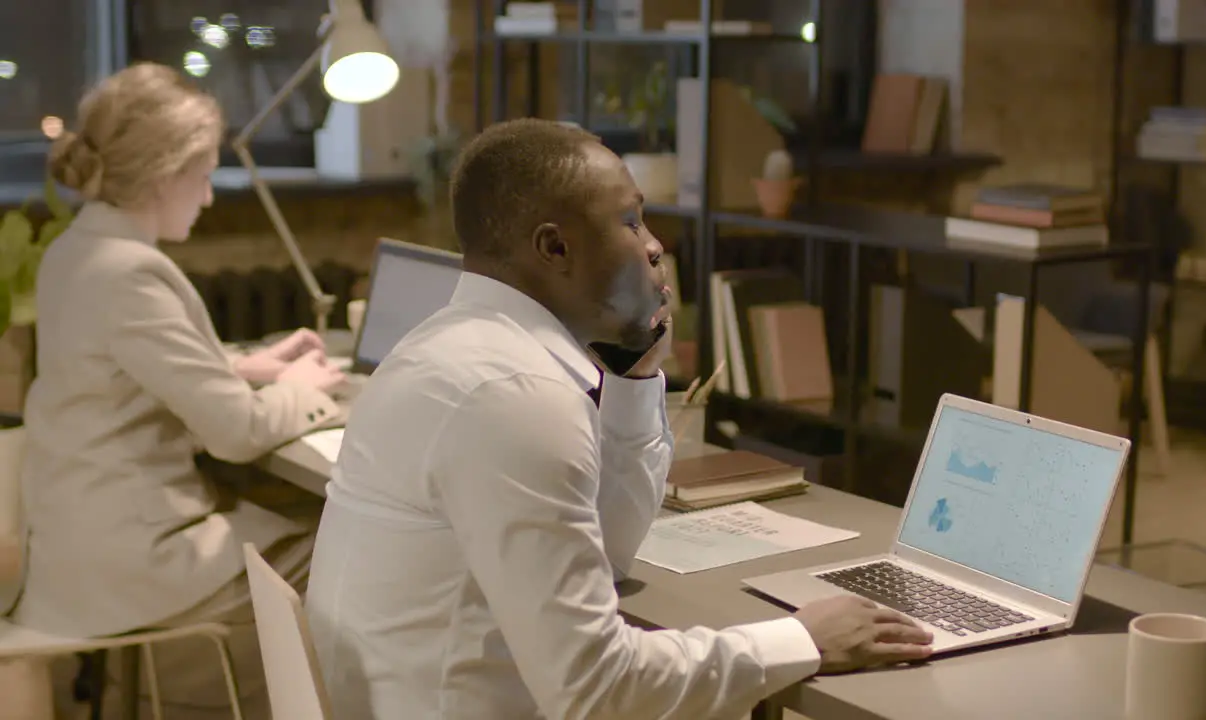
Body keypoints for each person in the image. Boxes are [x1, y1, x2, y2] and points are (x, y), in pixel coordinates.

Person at [305, 117, 933, 719]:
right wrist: (800, 641)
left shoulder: (451, 347)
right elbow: (594, 689)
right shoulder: (516, 395)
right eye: (631, 221)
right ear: (554, 247)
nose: (655, 245)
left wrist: (632, 380)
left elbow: (606, 557)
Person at [10, 62, 346, 718]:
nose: (210, 196)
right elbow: (238, 433)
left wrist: (252, 367)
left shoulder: (76, 250)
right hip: (128, 560)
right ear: (166, 176)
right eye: (204, 175)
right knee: (347, 544)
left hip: (73, 541)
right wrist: (305, 387)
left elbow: (121, 365)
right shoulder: (132, 273)